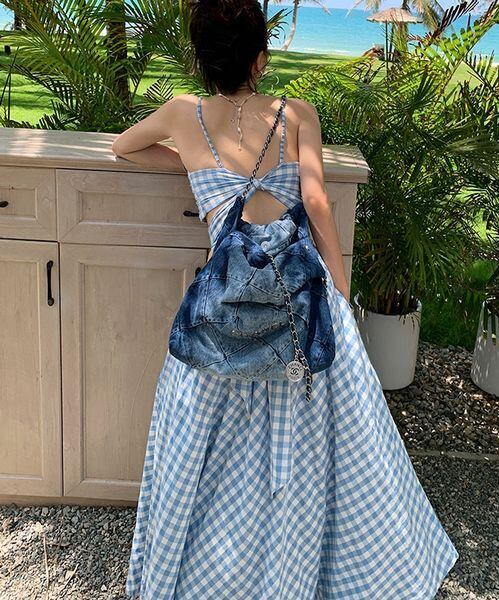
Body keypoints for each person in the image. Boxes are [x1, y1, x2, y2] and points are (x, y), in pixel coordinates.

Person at [112, 1, 459, 598]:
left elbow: (123, 146)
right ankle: (312, 567)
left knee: (210, 446)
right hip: (300, 296)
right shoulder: (296, 113)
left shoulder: (180, 115)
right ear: (260, 57)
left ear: (200, 56)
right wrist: (340, 292)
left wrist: (192, 165)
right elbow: (317, 204)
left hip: (226, 309)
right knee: (321, 442)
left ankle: (211, 574)